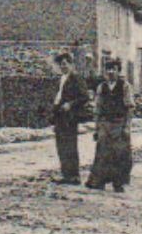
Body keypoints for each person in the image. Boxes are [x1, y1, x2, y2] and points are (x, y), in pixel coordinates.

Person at [86, 59, 135, 193]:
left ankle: (118, 183)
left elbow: (130, 108)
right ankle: (99, 181)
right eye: (108, 69)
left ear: (118, 71)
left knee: (119, 153)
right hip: (105, 124)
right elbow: (98, 108)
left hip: (119, 123)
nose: (111, 72)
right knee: (102, 152)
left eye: (114, 69)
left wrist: (127, 127)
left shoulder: (125, 86)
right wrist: (97, 127)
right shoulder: (101, 87)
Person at [49, 52, 88, 184]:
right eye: (61, 64)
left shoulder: (76, 78)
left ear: (71, 64)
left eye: (65, 64)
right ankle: (66, 175)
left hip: (70, 116)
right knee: (61, 145)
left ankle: (74, 176)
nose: (63, 66)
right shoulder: (61, 79)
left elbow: (84, 96)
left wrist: (70, 104)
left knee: (70, 145)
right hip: (60, 115)